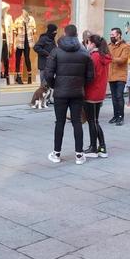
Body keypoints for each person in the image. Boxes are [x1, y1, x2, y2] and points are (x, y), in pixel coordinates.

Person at [45, 25, 94, 165]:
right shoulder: (84, 53)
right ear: (77, 34)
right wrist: (81, 84)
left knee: (59, 122)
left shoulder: (56, 51)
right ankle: (79, 155)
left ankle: (56, 153)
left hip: (60, 92)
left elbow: (48, 73)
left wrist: (55, 84)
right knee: (77, 122)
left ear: (65, 34)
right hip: (77, 92)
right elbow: (91, 76)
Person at [83, 34, 111, 159]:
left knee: (92, 121)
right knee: (95, 120)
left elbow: (89, 76)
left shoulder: (94, 57)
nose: (86, 45)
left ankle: (94, 147)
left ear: (92, 44)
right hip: (100, 91)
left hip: (91, 91)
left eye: (87, 43)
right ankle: (102, 147)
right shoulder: (103, 56)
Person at [108, 28, 130, 126]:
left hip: (121, 75)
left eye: (113, 34)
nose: (111, 36)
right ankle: (115, 115)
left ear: (119, 35)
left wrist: (111, 58)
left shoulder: (125, 46)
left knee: (119, 96)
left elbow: (123, 59)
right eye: (110, 34)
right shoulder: (109, 46)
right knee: (113, 97)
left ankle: (121, 116)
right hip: (111, 75)